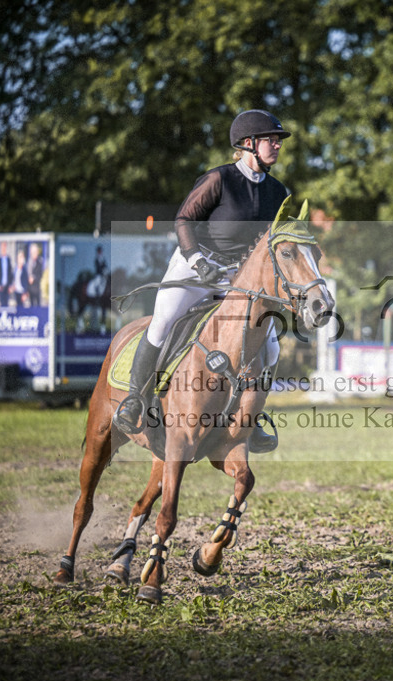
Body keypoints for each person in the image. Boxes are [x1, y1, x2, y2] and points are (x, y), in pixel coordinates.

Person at [113, 109, 291, 452]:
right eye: (272, 140)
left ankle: (252, 420)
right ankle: (135, 400)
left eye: (278, 140)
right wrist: (196, 260)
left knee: (270, 344)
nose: (277, 146)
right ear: (248, 144)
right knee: (163, 322)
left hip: (236, 280)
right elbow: (184, 220)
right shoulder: (219, 180)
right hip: (194, 267)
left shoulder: (277, 191)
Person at [0, 241, 13, 307]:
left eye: (5, 246)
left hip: (7, 285)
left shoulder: (8, 259)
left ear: (6, 248)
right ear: (1, 248)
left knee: (7, 303)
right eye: (2, 247)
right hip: (1, 286)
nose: (3, 248)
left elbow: (10, 273)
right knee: (2, 303)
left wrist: (10, 285)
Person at [27, 243, 44, 307]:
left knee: (38, 305)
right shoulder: (29, 262)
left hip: (36, 288)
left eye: (35, 252)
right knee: (31, 306)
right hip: (30, 289)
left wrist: (33, 278)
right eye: (32, 252)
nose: (33, 254)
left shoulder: (40, 262)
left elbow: (40, 275)